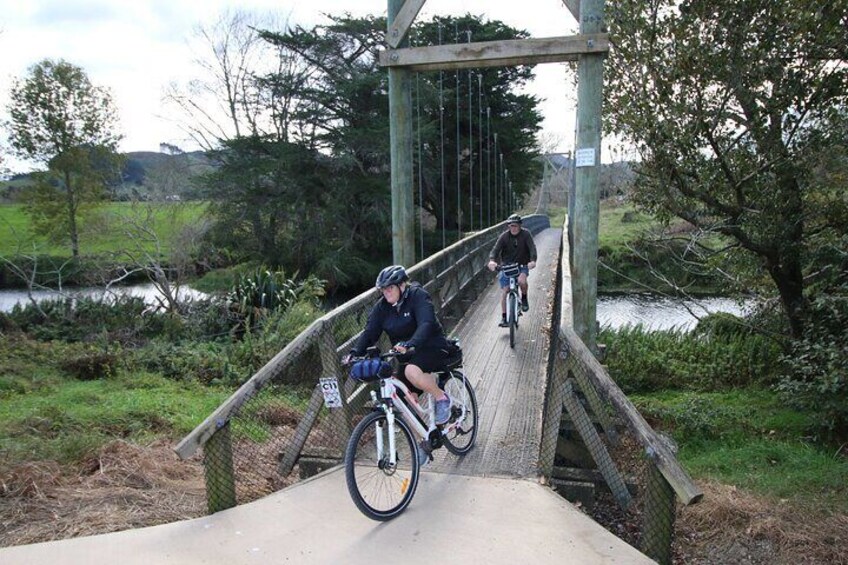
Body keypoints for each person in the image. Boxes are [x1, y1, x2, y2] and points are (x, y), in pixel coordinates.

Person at [348, 265, 453, 463]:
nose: (386, 292)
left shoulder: (418, 296)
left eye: (390, 288)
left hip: (432, 347)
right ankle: (426, 439)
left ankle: (442, 398)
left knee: (413, 372)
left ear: (402, 285)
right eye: (383, 289)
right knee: (403, 400)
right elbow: (370, 332)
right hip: (407, 355)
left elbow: (426, 323)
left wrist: (411, 343)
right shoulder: (382, 307)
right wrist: (354, 353)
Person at [487, 213, 537, 327]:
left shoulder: (526, 235)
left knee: (522, 281)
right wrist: (492, 260)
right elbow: (495, 249)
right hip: (507, 266)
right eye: (510, 226)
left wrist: (532, 260)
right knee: (505, 291)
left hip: (522, 264)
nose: (513, 228)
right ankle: (504, 318)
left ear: (520, 225)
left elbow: (532, 248)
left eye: (515, 225)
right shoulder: (504, 236)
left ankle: (524, 298)